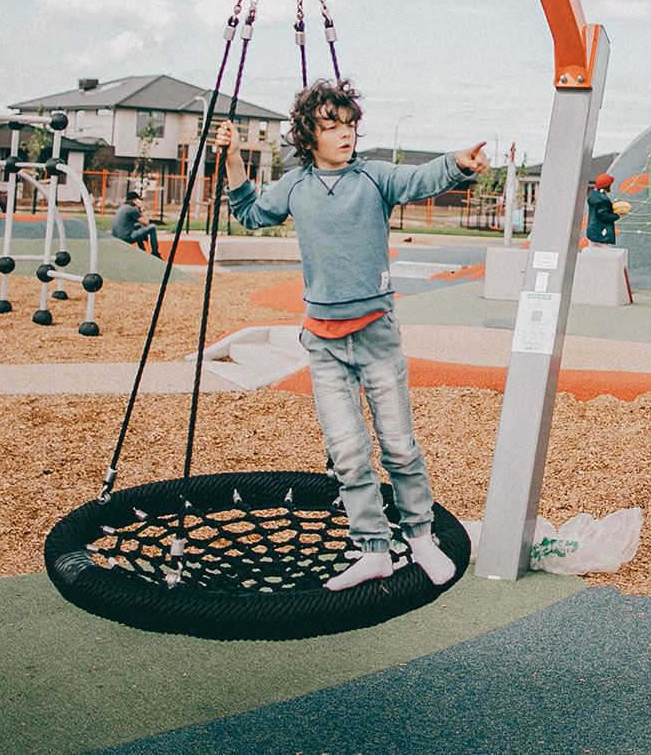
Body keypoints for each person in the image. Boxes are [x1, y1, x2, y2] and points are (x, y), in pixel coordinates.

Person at [216, 78, 490, 592]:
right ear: (307, 136)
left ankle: (421, 537)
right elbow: (250, 214)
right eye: (330, 126)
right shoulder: (294, 185)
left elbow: (420, 178)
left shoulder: (374, 178)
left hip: (374, 333)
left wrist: (458, 161)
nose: (344, 134)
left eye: (349, 124)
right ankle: (373, 549)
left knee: (400, 446)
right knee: (347, 451)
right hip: (322, 342)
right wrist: (233, 158)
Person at [111, 191, 161, 257]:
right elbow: (146, 223)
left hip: (115, 238)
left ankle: (142, 250)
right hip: (125, 238)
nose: (140, 201)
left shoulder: (122, 207)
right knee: (152, 227)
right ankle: (155, 253)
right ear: (134, 200)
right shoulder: (132, 209)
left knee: (137, 226)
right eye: (139, 199)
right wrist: (141, 209)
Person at [586, 172, 622, 245]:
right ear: (607, 186)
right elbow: (604, 216)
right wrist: (616, 215)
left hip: (593, 232)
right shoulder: (603, 200)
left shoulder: (593, 196)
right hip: (602, 234)